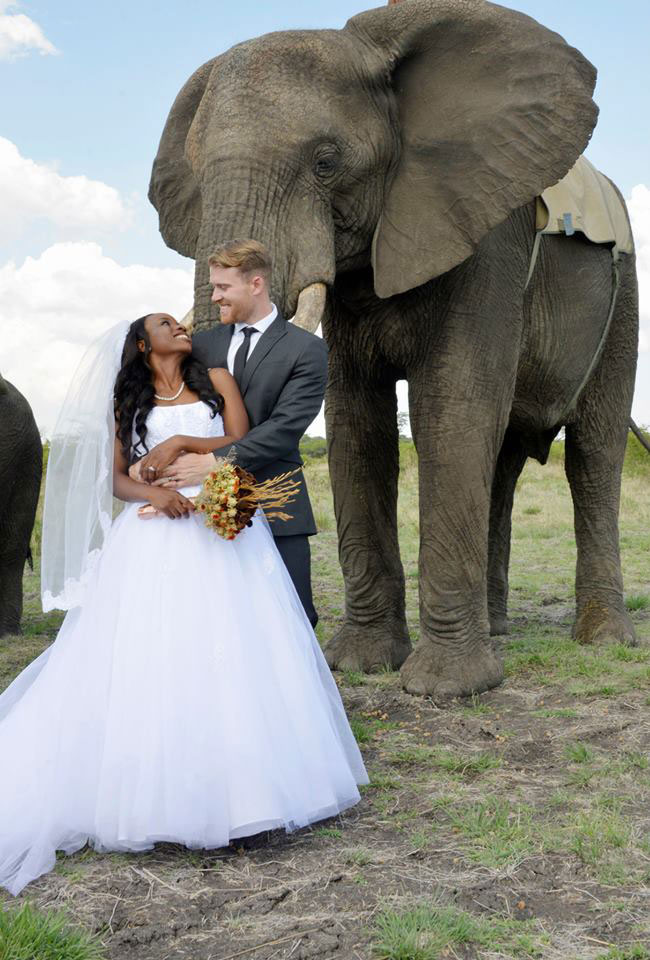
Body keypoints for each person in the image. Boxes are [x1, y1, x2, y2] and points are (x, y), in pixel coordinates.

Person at [0, 313, 367, 897]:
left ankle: (252, 794)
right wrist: (156, 493)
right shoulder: (126, 402)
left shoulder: (216, 378)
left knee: (239, 648)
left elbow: (237, 441)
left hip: (224, 528)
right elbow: (116, 478)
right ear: (145, 346)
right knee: (159, 653)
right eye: (167, 324)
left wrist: (183, 444)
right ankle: (161, 798)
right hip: (154, 532)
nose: (181, 325)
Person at [139, 239, 327, 628]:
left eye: (223, 287)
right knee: (213, 620)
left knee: (293, 618)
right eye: (213, 286)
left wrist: (213, 462)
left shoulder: (307, 349)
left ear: (255, 284)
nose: (214, 296)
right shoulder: (199, 345)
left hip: (276, 499)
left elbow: (286, 426)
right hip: (198, 513)